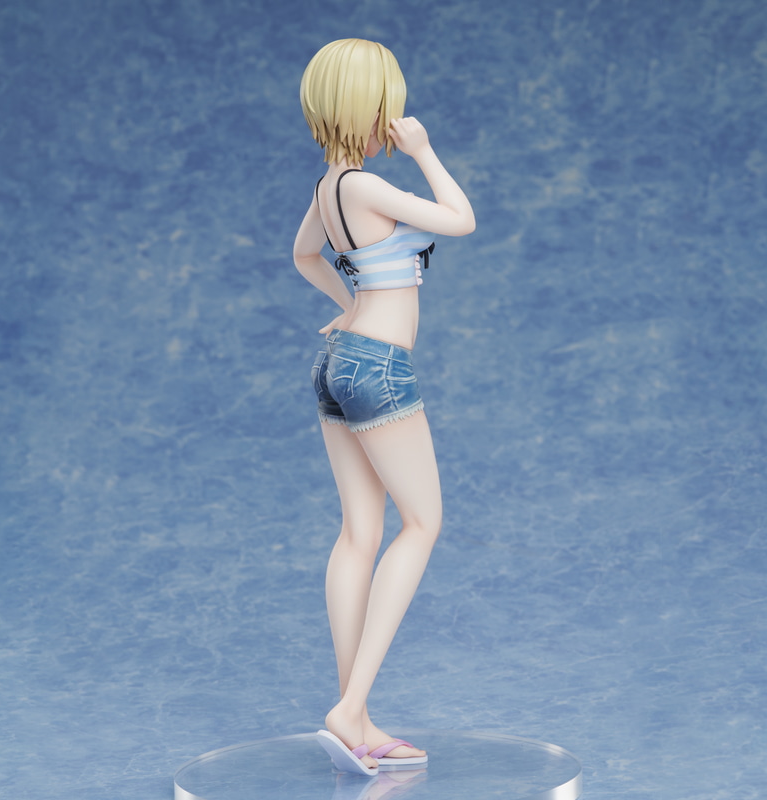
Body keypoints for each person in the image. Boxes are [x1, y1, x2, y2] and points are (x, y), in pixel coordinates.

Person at [293, 38, 475, 776]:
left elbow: (304, 255)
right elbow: (459, 218)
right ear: (364, 110)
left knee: (359, 533)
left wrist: (348, 305)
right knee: (422, 523)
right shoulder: (365, 187)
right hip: (378, 368)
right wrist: (425, 151)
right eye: (387, 109)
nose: (393, 123)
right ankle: (351, 709)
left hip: (338, 361)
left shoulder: (327, 190)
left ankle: (357, 720)